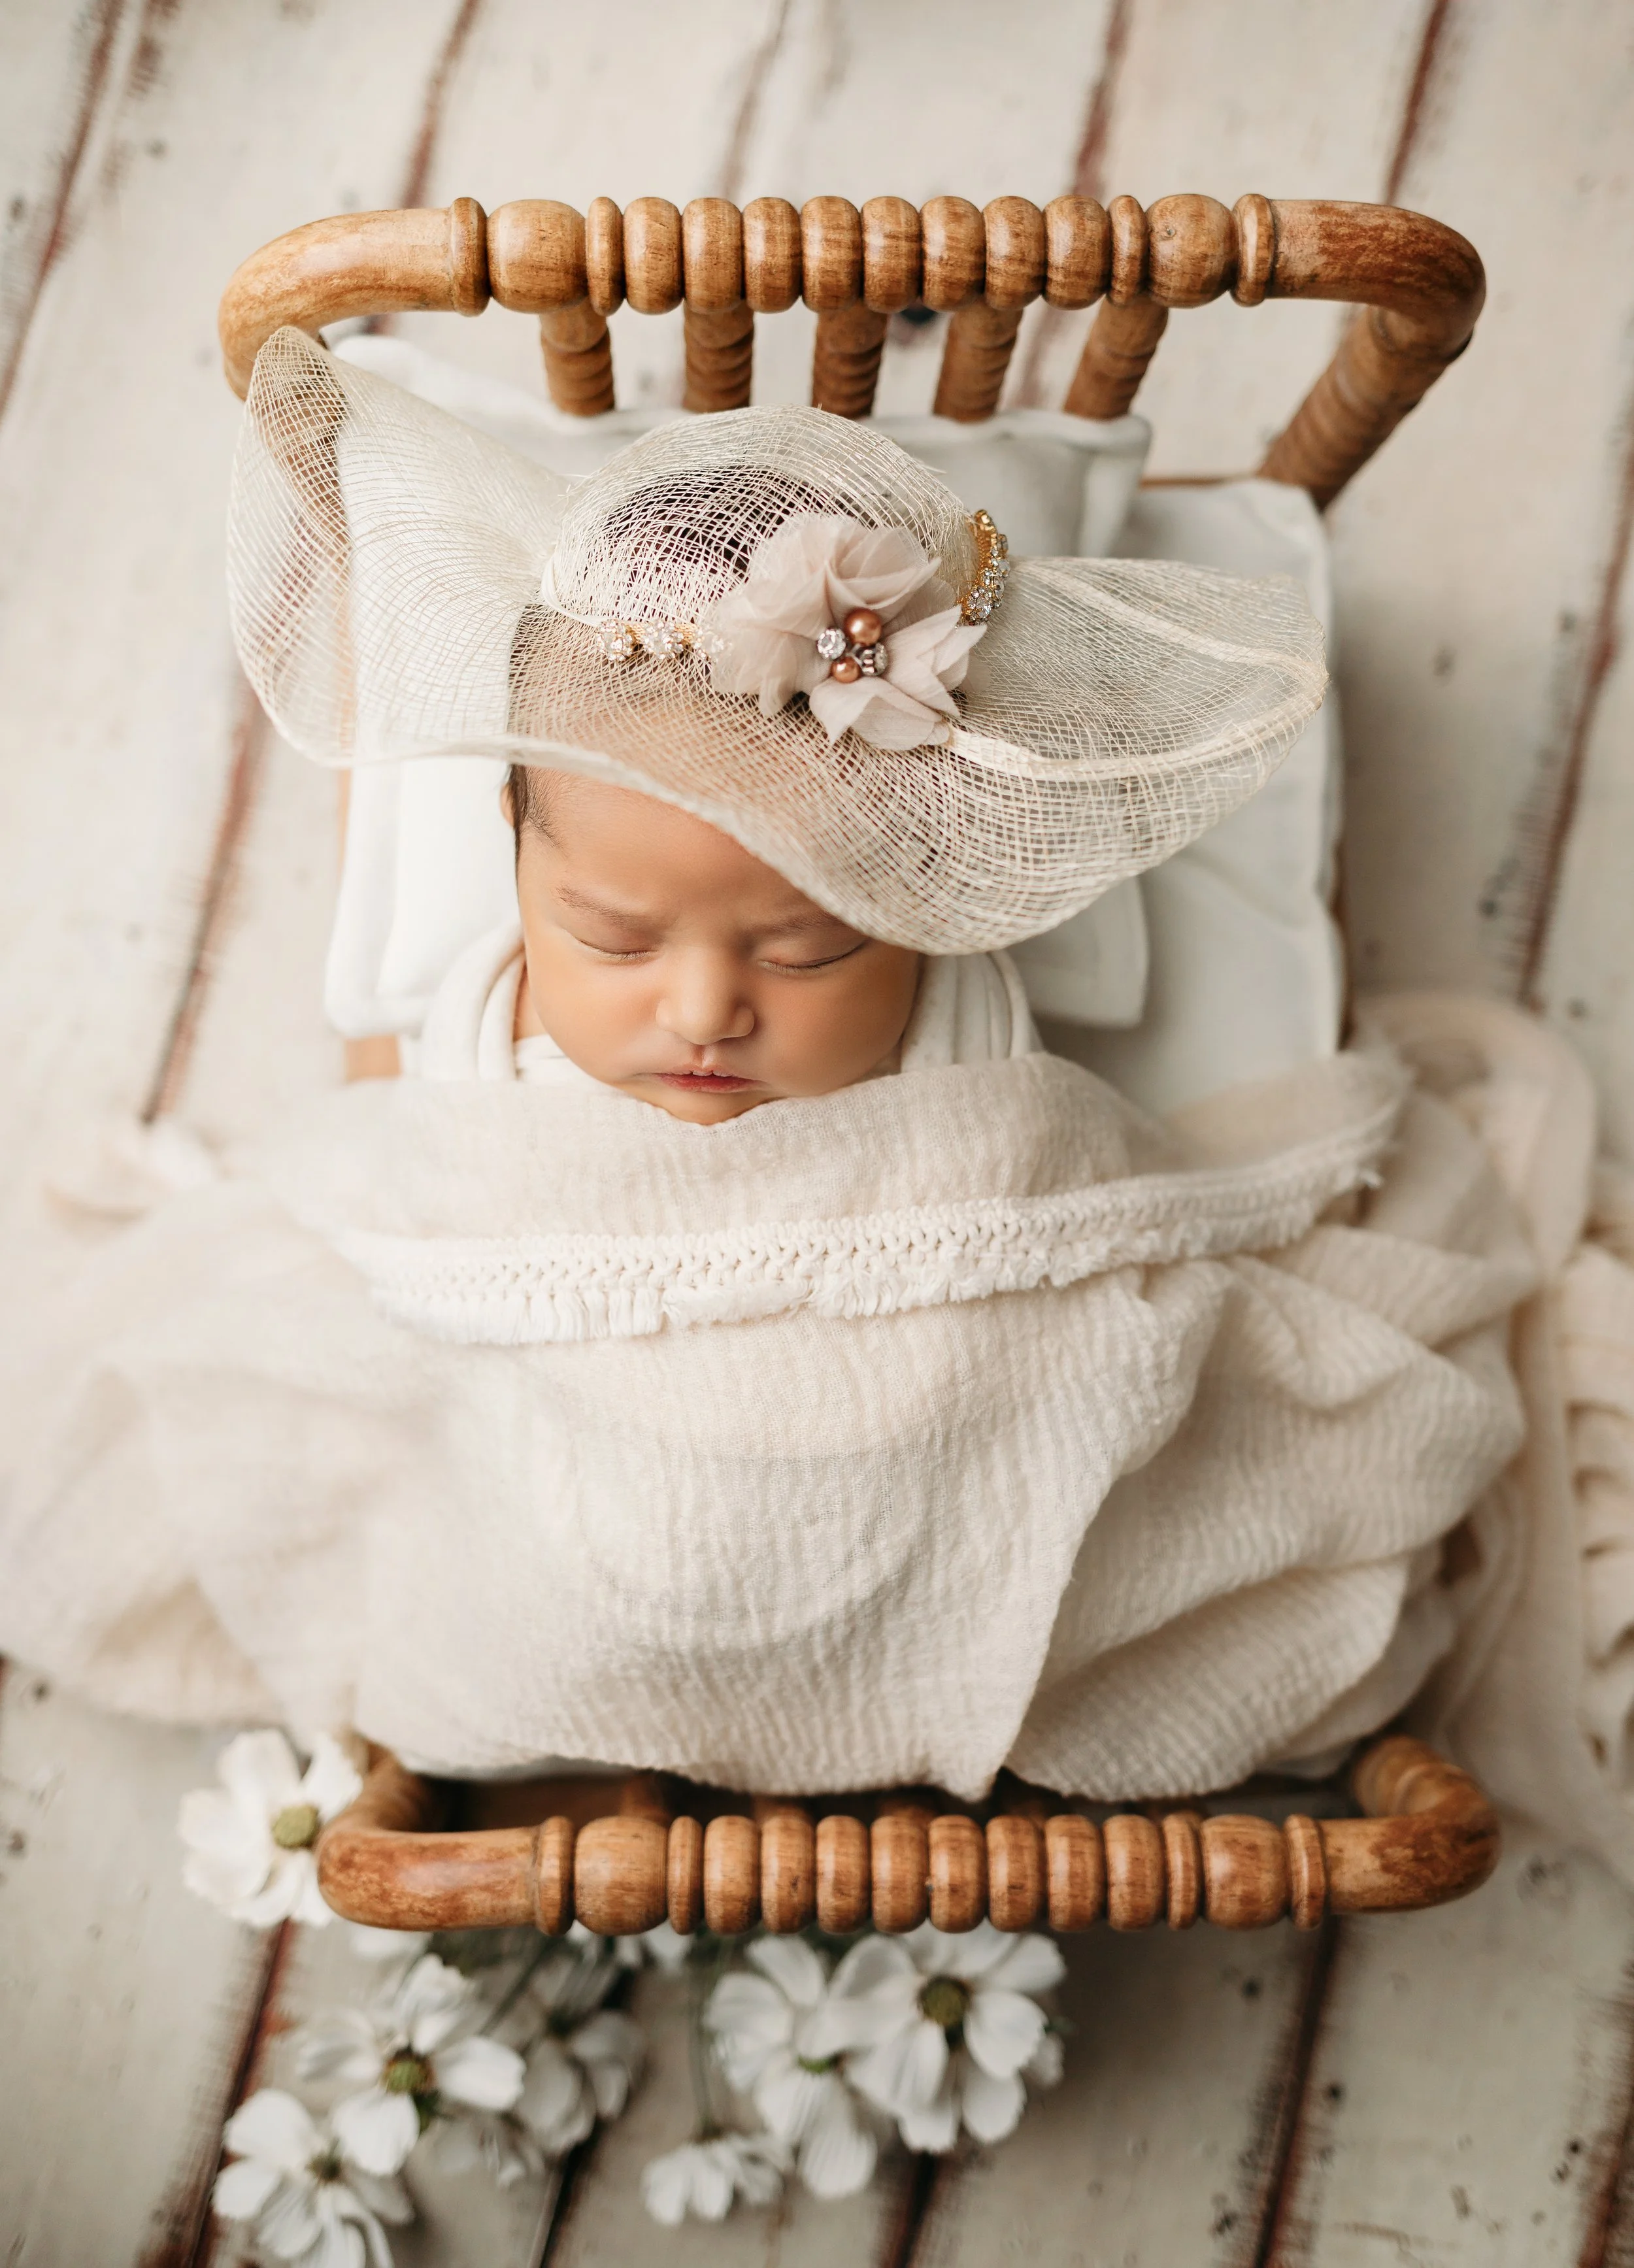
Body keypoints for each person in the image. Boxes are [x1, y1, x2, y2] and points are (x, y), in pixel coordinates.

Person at [6, 328, 1631, 1888]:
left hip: (929, 1461)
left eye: (805, 944)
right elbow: (396, 1209)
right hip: (549, 1485)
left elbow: (1024, 1243)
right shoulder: (474, 1021)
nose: (704, 1006)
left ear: (919, 906)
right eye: (611, 938)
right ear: (516, 864)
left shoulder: (960, 1014)